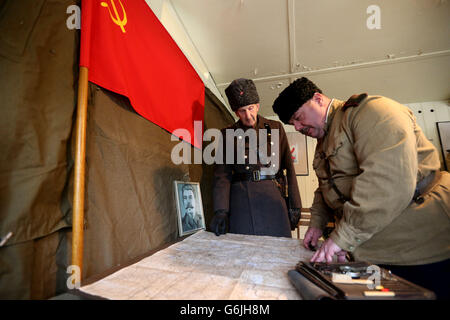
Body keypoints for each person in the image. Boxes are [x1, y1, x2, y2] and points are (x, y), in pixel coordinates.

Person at [272, 77, 450, 299]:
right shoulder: (324, 139)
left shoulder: (369, 111)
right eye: (293, 124)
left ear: (318, 99)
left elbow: (388, 181)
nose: (297, 128)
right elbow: (325, 187)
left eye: (298, 118)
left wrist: (342, 237)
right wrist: (317, 224)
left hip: (419, 243)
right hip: (371, 245)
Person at [210, 78, 302, 238]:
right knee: (245, 253)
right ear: (235, 112)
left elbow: (289, 167)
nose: (248, 115)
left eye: (251, 108)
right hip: (241, 203)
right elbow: (222, 176)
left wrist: (295, 205)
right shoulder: (227, 134)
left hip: (273, 198)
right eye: (242, 111)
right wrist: (221, 210)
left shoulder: (275, 127)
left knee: (278, 250)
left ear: (257, 106)